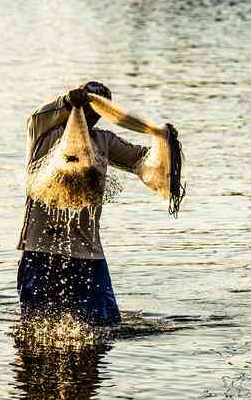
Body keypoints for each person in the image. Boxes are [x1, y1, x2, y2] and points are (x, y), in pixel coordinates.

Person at [16, 81, 149, 326]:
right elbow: (38, 115)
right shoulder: (44, 133)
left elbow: (143, 159)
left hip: (88, 253)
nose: (90, 114)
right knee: (36, 323)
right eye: (87, 105)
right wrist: (68, 100)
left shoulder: (103, 141)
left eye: (98, 110)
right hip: (40, 249)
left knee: (104, 323)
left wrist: (165, 140)